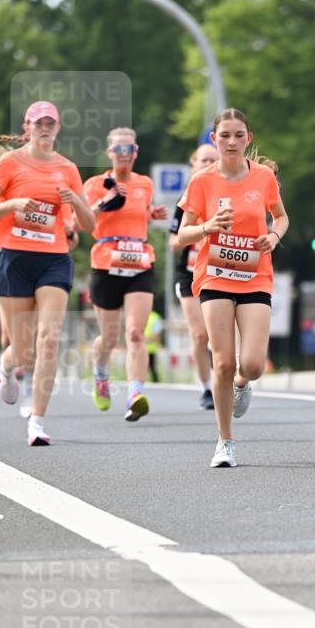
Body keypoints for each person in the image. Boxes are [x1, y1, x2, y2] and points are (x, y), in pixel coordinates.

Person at [177, 108, 289, 468]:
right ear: (214, 139)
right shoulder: (202, 181)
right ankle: (225, 442)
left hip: (255, 275)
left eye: (238, 135)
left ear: (248, 139)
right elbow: (182, 236)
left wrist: (273, 235)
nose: (231, 142)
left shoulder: (264, 178)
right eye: (224, 135)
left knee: (252, 364)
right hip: (214, 275)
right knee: (222, 362)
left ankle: (244, 381)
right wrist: (208, 227)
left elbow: (282, 216)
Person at [0, 101, 95, 444]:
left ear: (58, 129)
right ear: (26, 127)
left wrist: (75, 200)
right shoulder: (10, 164)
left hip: (54, 259)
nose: (45, 128)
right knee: (23, 350)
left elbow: (90, 225)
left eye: (51, 123)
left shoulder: (68, 169)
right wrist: (13, 205)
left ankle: (38, 422)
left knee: (48, 340)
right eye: (38, 123)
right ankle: (6, 368)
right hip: (15, 258)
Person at [82, 127, 167, 420]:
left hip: (139, 263)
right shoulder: (95, 184)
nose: (123, 155)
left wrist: (150, 215)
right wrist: (104, 201)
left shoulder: (144, 184)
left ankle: (135, 394)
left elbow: (136, 213)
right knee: (109, 337)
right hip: (106, 263)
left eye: (128, 149)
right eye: (118, 149)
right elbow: (81, 221)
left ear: (136, 152)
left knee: (135, 333)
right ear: (109, 153)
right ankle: (101, 376)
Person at [169, 143, 220, 409]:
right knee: (200, 336)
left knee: (218, 334)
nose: (208, 164)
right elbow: (173, 242)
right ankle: (206, 389)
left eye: (213, 160)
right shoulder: (187, 199)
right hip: (189, 275)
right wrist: (201, 231)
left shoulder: (226, 195)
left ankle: (225, 378)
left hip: (220, 272)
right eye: (203, 160)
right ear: (194, 164)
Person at [145, 308, 163, 381]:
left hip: (150, 349)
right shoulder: (139, 315)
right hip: (141, 349)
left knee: (152, 369)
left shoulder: (155, 317)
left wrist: (145, 340)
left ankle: (155, 384)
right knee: (141, 369)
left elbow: (157, 334)